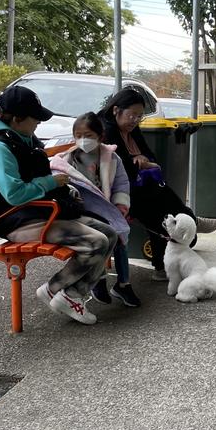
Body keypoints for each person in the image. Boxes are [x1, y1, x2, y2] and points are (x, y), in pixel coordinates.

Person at [0, 87, 117, 326]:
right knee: (96, 242)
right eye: (36, 118)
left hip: (39, 212)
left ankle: (72, 295)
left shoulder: (20, 136)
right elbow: (14, 194)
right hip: (17, 220)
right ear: (17, 118)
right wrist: (50, 182)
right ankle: (52, 289)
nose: (39, 123)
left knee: (109, 233)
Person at [98, 87, 216, 280]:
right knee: (161, 207)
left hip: (140, 187)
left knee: (161, 195)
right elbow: (124, 168)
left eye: (139, 116)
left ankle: (184, 229)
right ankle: (189, 223)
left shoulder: (131, 130)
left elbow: (151, 158)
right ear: (116, 110)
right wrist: (140, 161)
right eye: (132, 115)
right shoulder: (107, 131)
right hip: (119, 193)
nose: (135, 120)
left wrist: (142, 160)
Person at [51, 113, 141, 308]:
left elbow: (121, 184)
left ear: (100, 136)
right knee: (102, 237)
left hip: (109, 209)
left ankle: (123, 283)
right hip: (83, 213)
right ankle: (98, 281)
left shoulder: (111, 158)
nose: (83, 140)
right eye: (79, 135)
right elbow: (64, 188)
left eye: (89, 135)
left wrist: (121, 207)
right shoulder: (68, 160)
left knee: (120, 237)